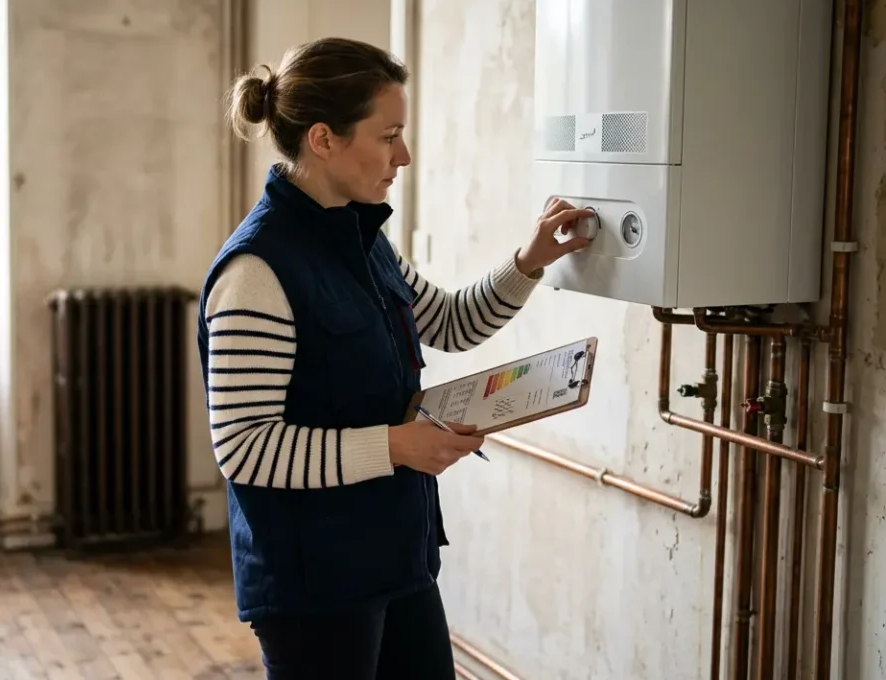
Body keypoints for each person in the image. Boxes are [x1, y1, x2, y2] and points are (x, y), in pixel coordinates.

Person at [194, 37, 593, 679]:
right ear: (323, 139)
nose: (403, 156)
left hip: (394, 554)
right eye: (389, 135)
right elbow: (245, 447)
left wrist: (530, 261)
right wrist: (399, 447)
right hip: (315, 584)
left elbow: (452, 322)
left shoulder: (362, 237)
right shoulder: (257, 270)